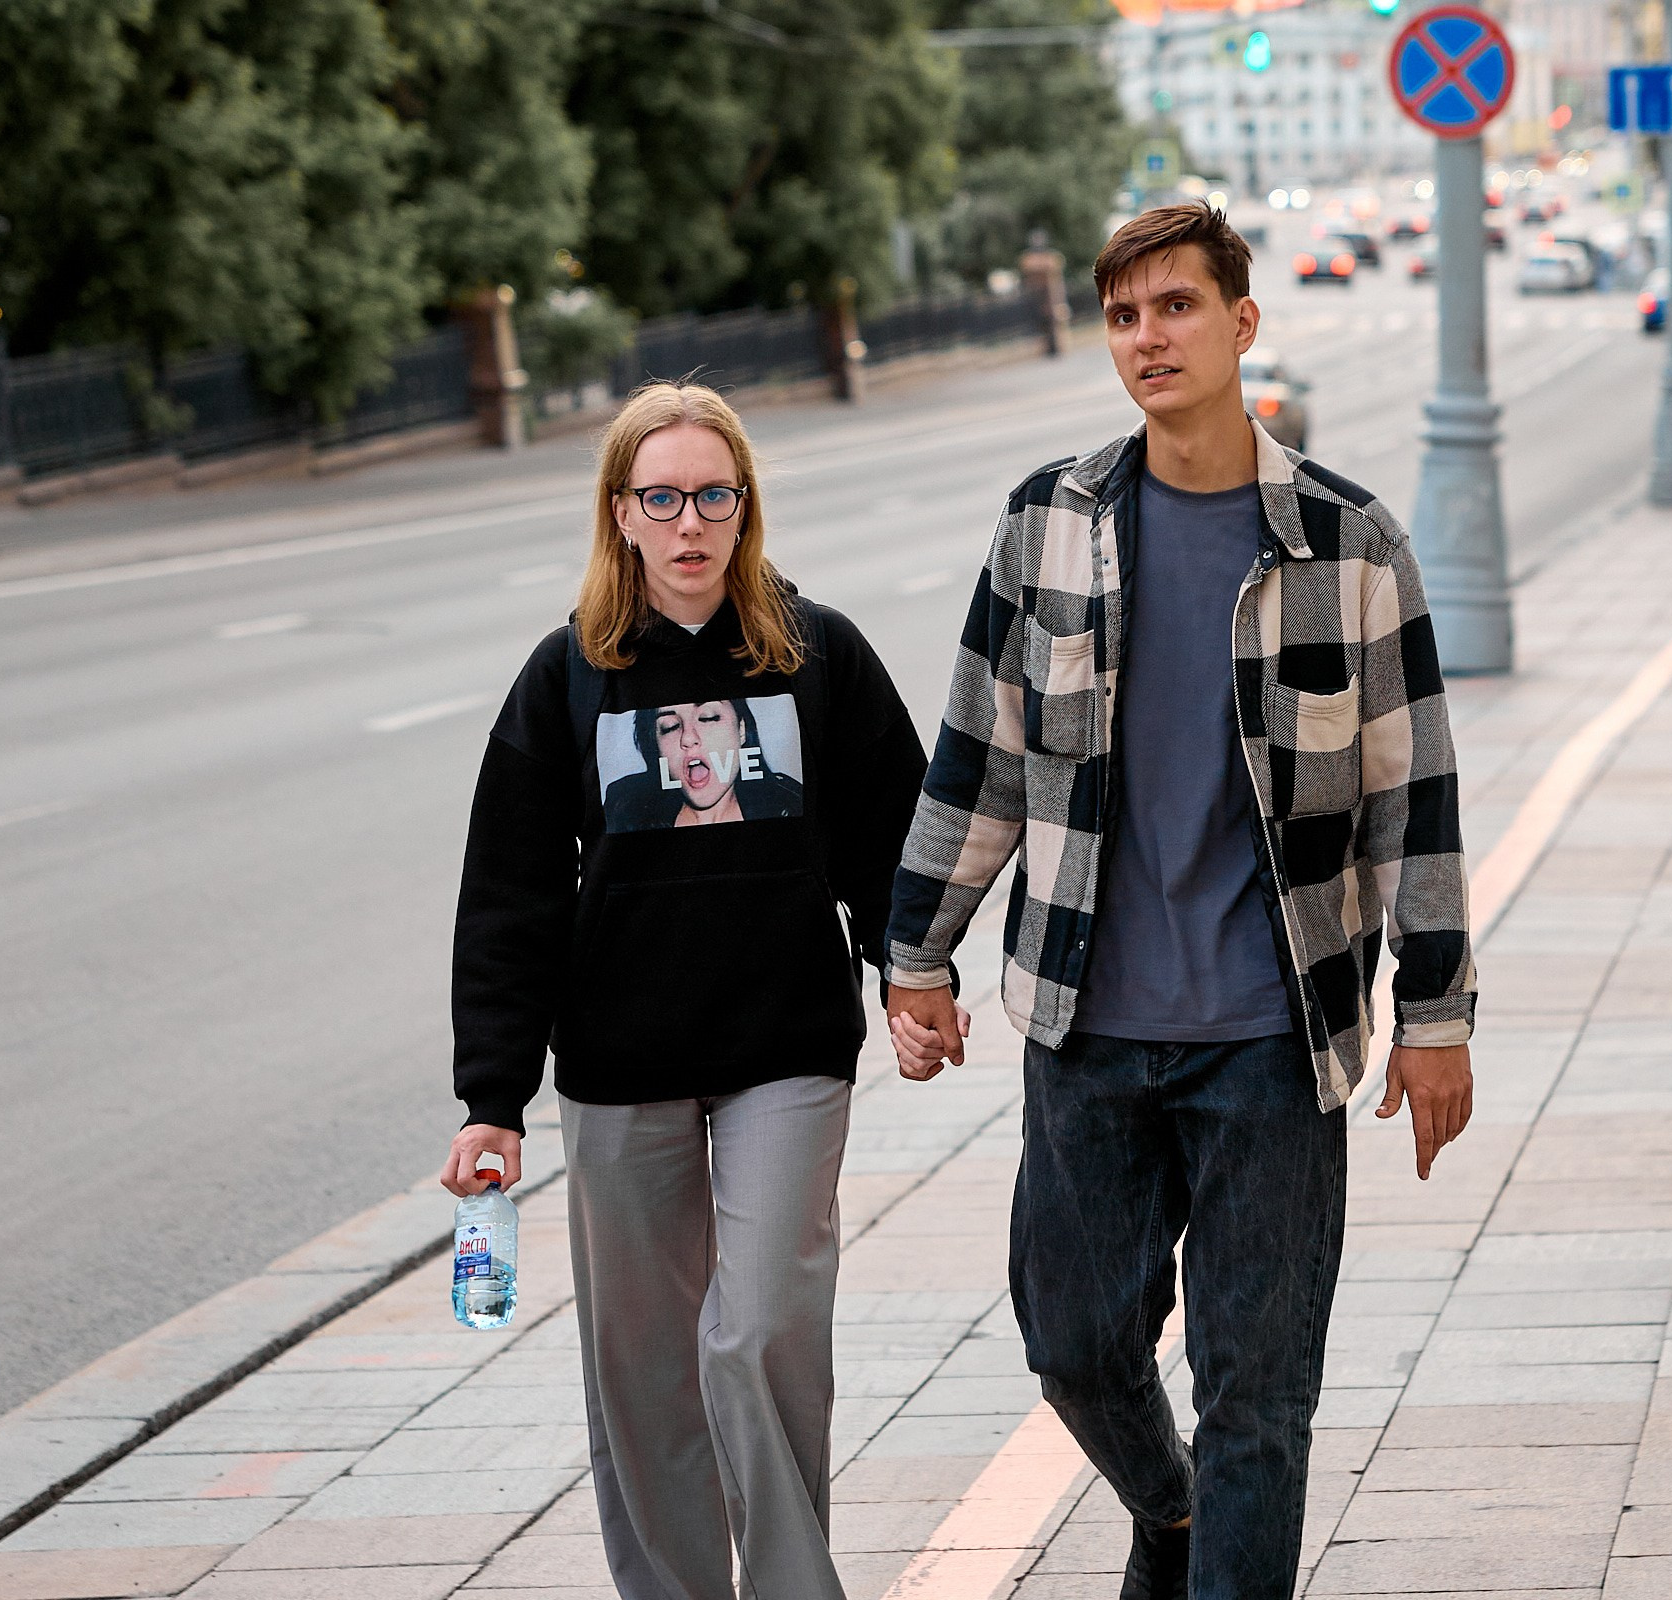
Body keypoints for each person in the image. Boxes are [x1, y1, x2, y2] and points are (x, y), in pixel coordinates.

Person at [881, 202, 1476, 1600]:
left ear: (1240, 324)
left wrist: (1435, 1014)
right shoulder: (1052, 525)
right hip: (1087, 1022)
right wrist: (919, 953)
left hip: (1275, 1034)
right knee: (1076, 1347)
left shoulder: (1347, 541)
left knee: (1259, 1401)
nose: (1150, 337)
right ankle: (1175, 1513)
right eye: (1126, 315)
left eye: (1177, 308)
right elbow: (980, 753)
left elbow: (1414, 793)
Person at [442, 381, 929, 1600]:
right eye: (662, 497)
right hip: (618, 1066)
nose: (690, 521)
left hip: (786, 1049)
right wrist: (490, 1099)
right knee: (647, 1369)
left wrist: (912, 969)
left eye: (714, 493)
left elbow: (894, 833)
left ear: (745, 504)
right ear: (621, 514)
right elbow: (510, 893)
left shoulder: (817, 653)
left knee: (760, 1330)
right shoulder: (567, 675)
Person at [601, 698, 804, 829]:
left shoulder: (789, 804)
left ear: (741, 729)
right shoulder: (624, 810)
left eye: (708, 718)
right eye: (669, 727)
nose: (688, 738)